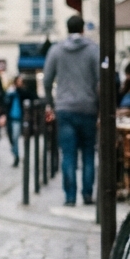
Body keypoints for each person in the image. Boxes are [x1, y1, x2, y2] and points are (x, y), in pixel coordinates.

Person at [44, 14, 101, 206]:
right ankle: (87, 194)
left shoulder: (57, 50)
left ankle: (69, 197)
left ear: (67, 28)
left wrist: (51, 103)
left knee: (68, 154)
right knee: (88, 153)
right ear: (83, 28)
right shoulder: (93, 49)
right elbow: (101, 79)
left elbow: (46, 80)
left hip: (65, 109)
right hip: (88, 108)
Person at [4, 75, 24, 166]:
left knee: (15, 138)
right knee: (11, 138)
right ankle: (15, 153)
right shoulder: (10, 93)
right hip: (10, 118)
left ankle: (16, 156)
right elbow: (5, 103)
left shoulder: (22, 93)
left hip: (18, 119)